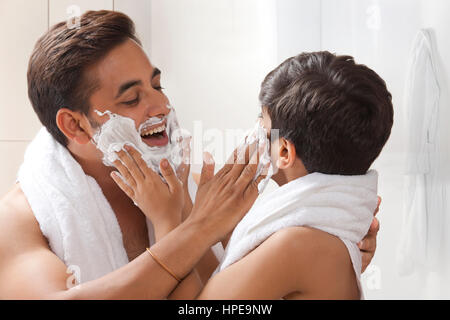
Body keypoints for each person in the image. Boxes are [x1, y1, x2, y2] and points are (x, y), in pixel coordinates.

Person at [0, 10, 379, 299]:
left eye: (158, 84)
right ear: (76, 126)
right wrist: (193, 227)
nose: (162, 105)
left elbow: (217, 290)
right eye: (132, 98)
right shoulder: (20, 222)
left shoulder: (185, 177)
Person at [115, 51, 390, 299]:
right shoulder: (319, 227)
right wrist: (194, 215)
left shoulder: (296, 243)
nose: (254, 132)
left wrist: (166, 220)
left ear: (283, 151)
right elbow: (220, 286)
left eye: (262, 123)